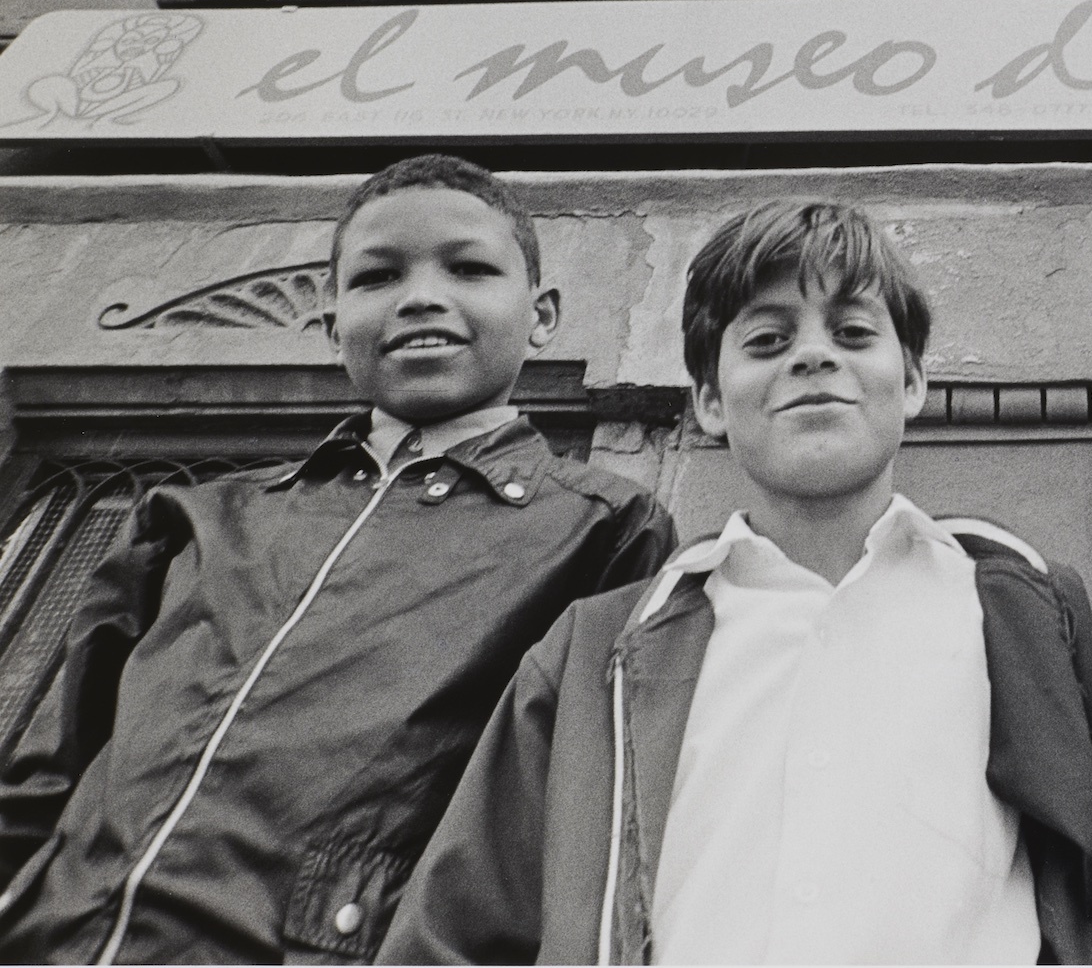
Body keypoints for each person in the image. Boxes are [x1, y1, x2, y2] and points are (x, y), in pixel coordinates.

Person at [380, 199, 1092, 965]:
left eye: (853, 333)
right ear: (708, 401)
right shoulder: (596, 655)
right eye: (767, 341)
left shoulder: (1024, 610)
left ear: (911, 382)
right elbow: (454, 933)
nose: (812, 357)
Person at [0, 154, 672, 963]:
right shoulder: (200, 514)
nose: (422, 295)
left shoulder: (603, 528)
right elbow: (50, 760)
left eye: (469, 268)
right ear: (329, 321)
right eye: (377, 276)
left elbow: (578, 828)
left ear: (543, 315)